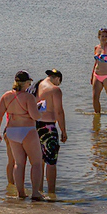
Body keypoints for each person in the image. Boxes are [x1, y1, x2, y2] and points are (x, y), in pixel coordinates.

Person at [0, 71, 45, 200]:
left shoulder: (6, 96)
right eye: (29, 82)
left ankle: (20, 192)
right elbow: (35, 116)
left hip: (12, 131)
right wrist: (40, 110)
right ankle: (35, 192)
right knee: (36, 163)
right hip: (27, 130)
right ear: (26, 83)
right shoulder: (28, 97)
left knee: (19, 163)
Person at [35, 69, 67, 197]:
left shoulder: (37, 86)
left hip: (35, 126)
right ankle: (51, 193)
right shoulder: (55, 90)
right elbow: (59, 111)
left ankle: (39, 190)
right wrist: (64, 130)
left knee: (39, 161)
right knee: (51, 162)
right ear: (57, 79)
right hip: (48, 127)